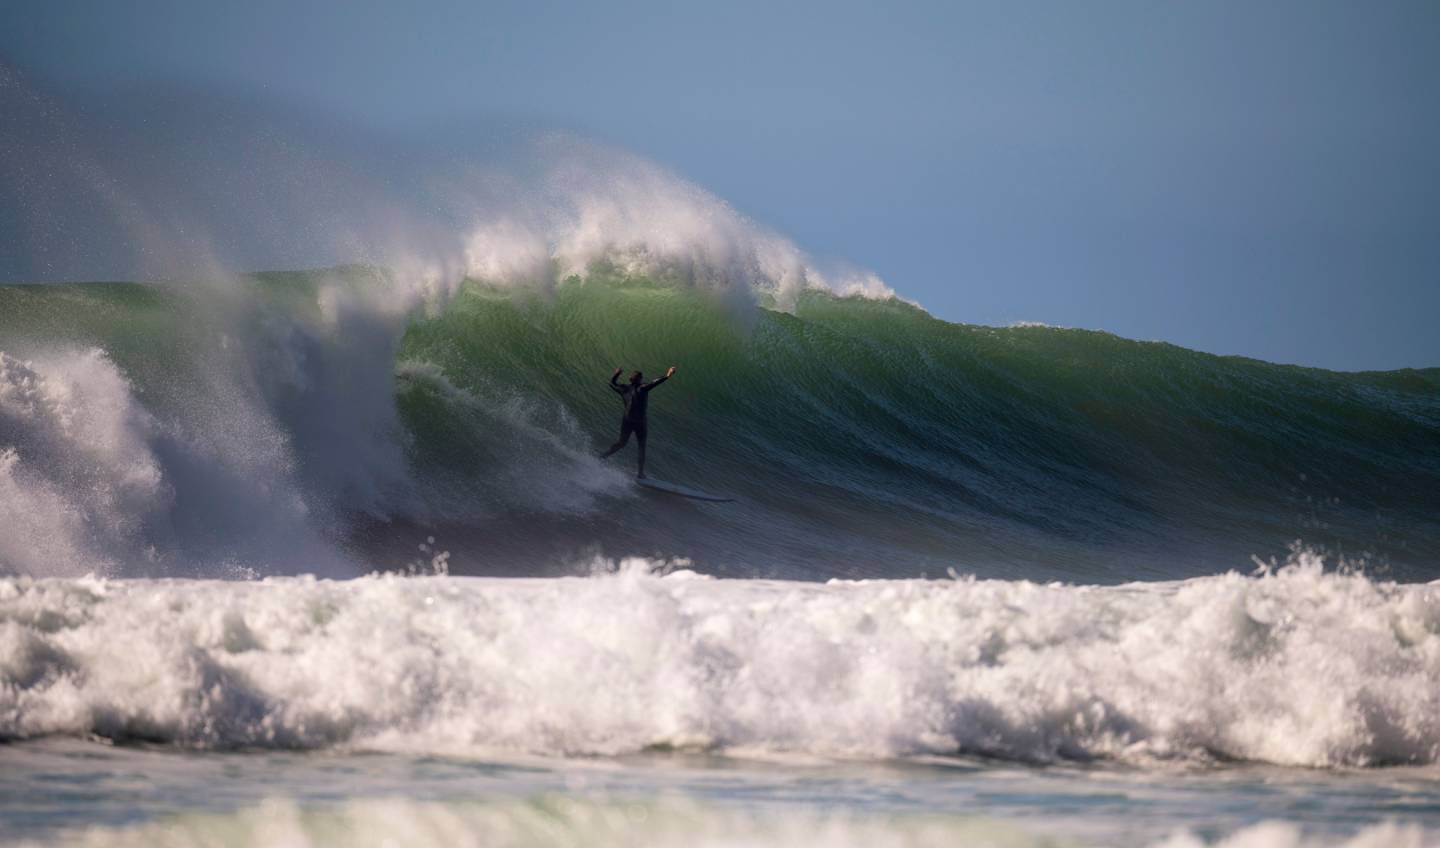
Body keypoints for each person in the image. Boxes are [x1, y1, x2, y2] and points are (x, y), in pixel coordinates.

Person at [600, 365, 677, 478]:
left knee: (622, 443)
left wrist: (616, 374)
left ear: (630, 380)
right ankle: (640, 473)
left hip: (627, 421)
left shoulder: (624, 388)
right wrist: (667, 375)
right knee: (641, 446)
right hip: (640, 422)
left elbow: (611, 383)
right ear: (640, 379)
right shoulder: (643, 388)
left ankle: (603, 456)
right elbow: (654, 382)